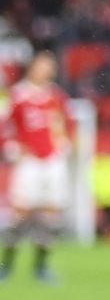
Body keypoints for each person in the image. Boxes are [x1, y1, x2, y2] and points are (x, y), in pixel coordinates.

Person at [3, 50, 71, 286]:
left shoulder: (56, 96)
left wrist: (64, 144)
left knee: (50, 213)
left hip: (52, 161)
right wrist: (13, 148)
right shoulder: (17, 95)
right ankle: (7, 266)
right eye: (43, 65)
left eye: (50, 66)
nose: (47, 70)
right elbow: (5, 126)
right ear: (32, 67)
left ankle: (41, 267)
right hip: (29, 162)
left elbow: (66, 124)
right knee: (20, 212)